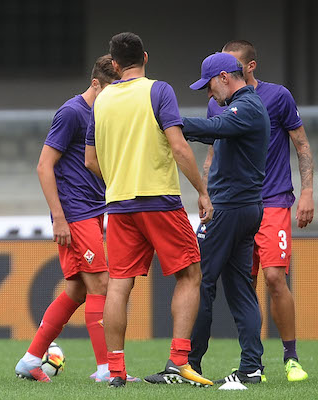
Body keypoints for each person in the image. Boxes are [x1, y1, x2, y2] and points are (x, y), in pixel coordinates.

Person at [84, 32, 214, 388]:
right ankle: (178, 362)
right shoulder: (159, 91)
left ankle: (115, 370)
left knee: (118, 286)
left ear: (113, 64)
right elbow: (179, 147)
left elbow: (90, 160)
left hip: (119, 204)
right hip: (159, 200)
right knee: (189, 274)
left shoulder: (102, 100)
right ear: (145, 56)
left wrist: (119, 178)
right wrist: (202, 192)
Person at [15, 55, 134, 384]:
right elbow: (44, 165)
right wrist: (58, 217)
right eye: (111, 87)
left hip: (94, 210)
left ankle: (29, 359)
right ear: (95, 84)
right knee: (102, 284)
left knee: (76, 290)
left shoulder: (105, 113)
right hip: (75, 212)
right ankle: (106, 368)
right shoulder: (71, 112)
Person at [203, 40, 312, 382]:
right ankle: (252, 364)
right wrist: (205, 192)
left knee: (275, 277)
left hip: (274, 199)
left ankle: (291, 357)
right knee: (242, 282)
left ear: (249, 67)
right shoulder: (215, 102)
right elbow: (213, 152)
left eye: (230, 63)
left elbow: (302, 144)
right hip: (234, 204)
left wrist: (308, 190)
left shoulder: (278, 96)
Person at [180, 52, 269, 384]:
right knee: (240, 288)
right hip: (246, 208)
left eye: (208, 86)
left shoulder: (244, 107)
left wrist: (171, 122)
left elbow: (215, 126)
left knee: (199, 281)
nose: (208, 94)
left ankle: (190, 364)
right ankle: (251, 366)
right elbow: (213, 132)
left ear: (223, 77)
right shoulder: (248, 106)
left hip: (230, 208)